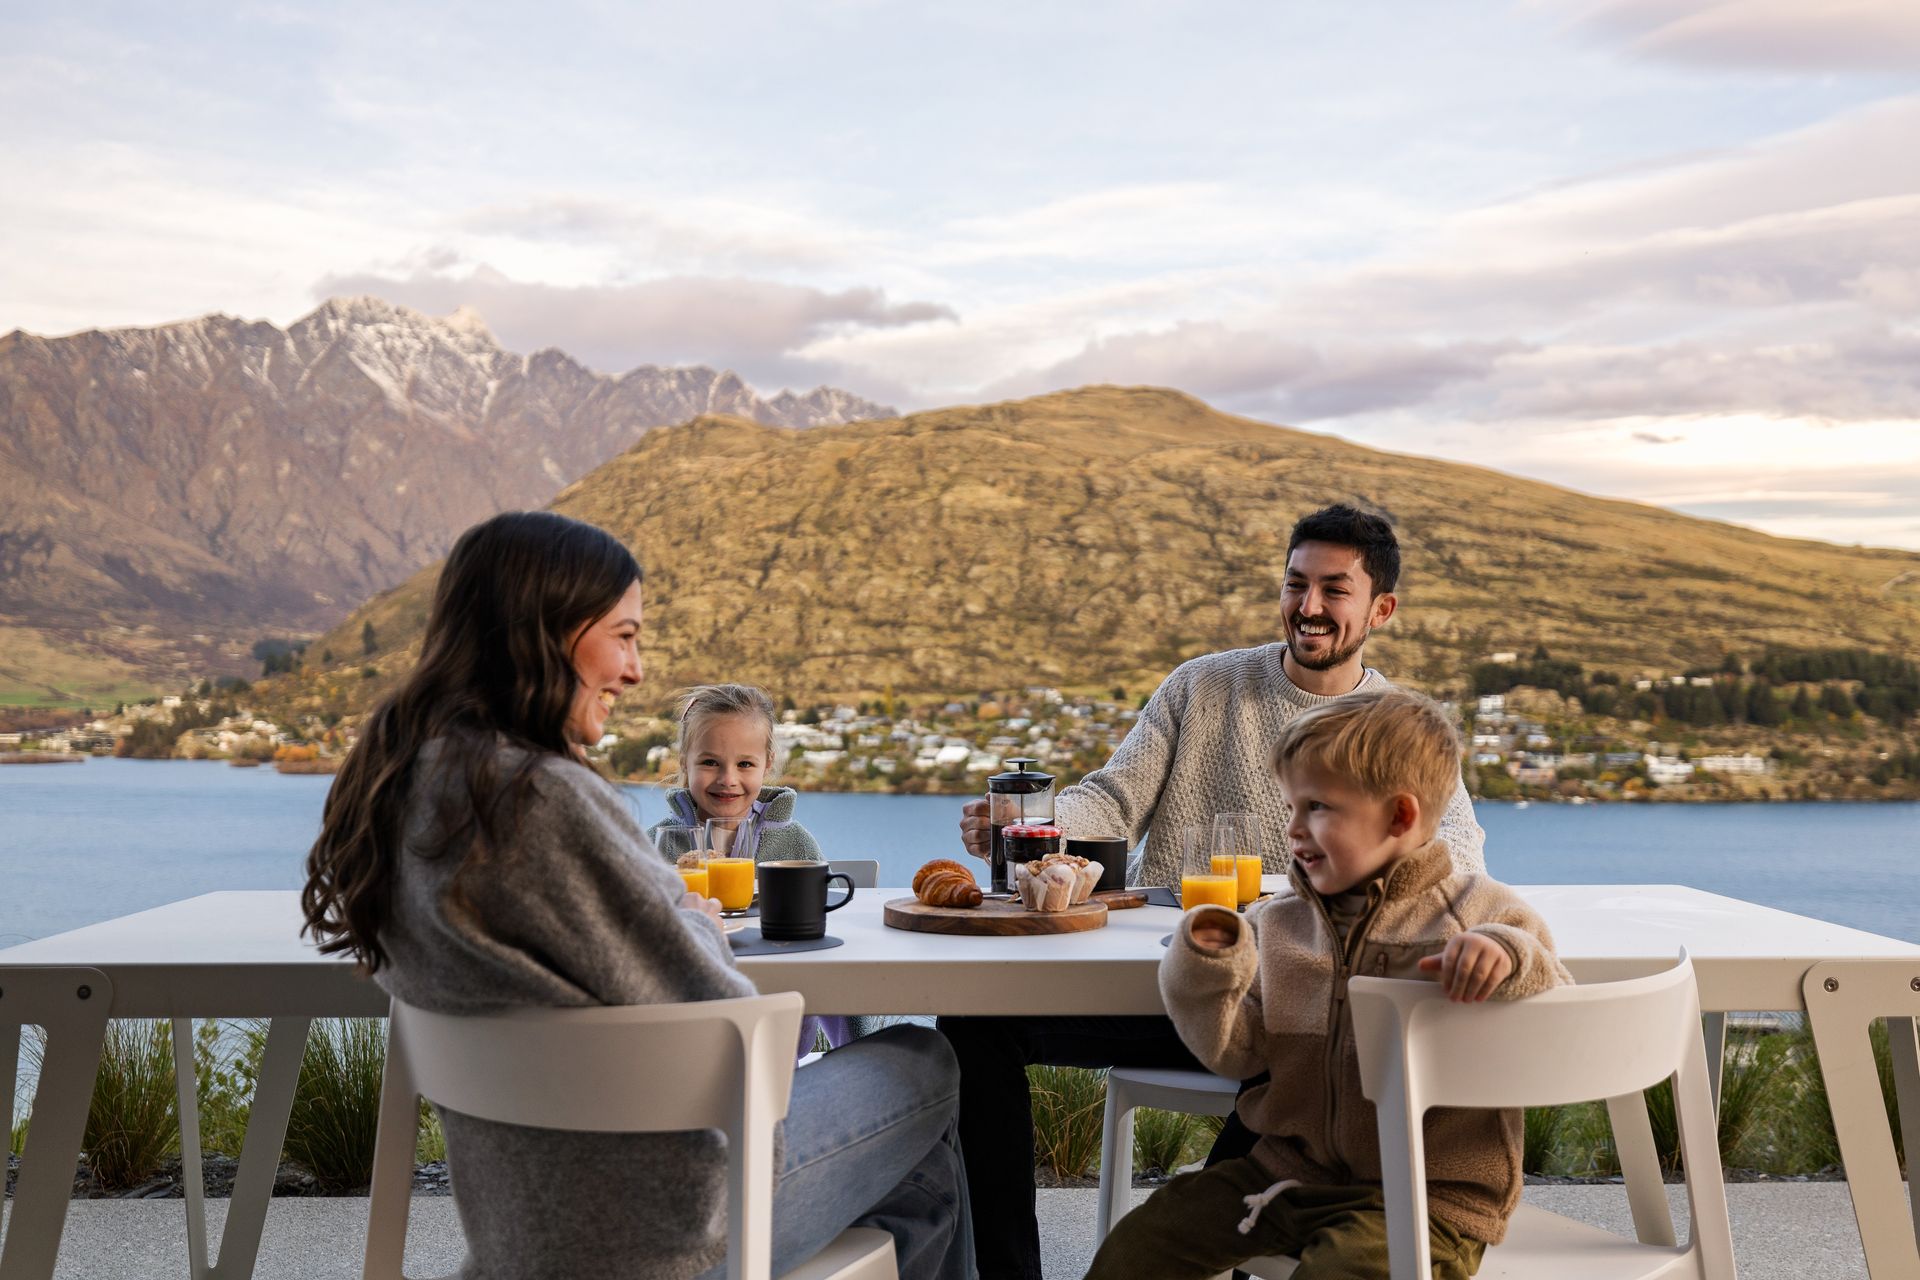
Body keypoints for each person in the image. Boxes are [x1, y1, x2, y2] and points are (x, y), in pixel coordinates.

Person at [300, 511, 974, 1280]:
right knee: (924, 1061)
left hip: (519, 1219)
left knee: (919, 1187)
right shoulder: (536, 800)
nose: (635, 670)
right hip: (654, 1227)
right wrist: (693, 919)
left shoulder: (402, 784)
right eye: (623, 636)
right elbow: (717, 1019)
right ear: (547, 631)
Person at [942, 503, 1488, 1279]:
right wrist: (1033, 826)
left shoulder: (1398, 726)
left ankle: (1205, 1249)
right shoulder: (1201, 686)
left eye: (1335, 589)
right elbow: (1112, 801)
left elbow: (1460, 852)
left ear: (1381, 609)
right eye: (1296, 583)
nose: (1309, 606)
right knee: (973, 1021)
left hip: (1290, 1012)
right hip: (1175, 988)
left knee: (1307, 1042)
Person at [1085, 687, 1570, 1280]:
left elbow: (1555, 1000)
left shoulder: (1480, 913)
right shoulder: (1277, 923)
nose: (1292, 829)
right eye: (1291, 806)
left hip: (1430, 1197)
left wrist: (1506, 955)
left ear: (1400, 816)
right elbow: (1237, 1054)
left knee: (1338, 1270)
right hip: (1290, 1174)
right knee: (1143, 1242)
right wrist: (1206, 968)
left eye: (1316, 807)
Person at [647, 682, 825, 863]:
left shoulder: (798, 845)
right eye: (710, 762)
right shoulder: (652, 846)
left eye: (745, 764)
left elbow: (828, 883)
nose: (728, 780)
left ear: (767, 764)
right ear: (684, 761)